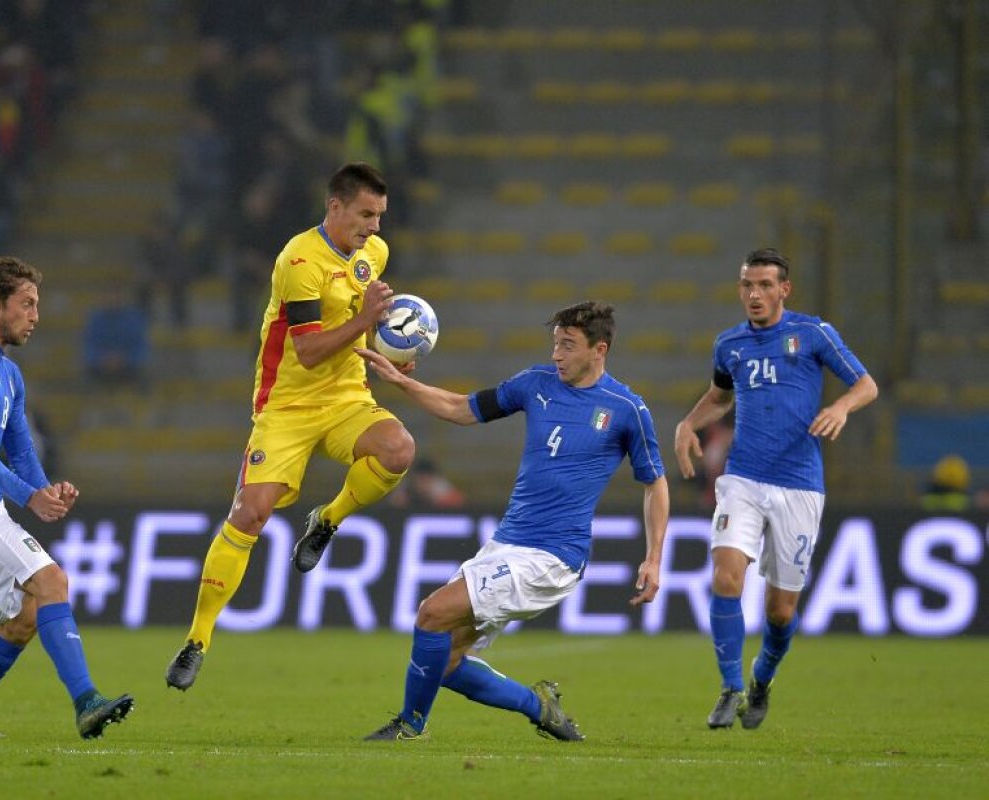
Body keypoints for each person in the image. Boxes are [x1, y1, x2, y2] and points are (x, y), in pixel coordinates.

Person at [355, 301, 669, 741]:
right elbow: (461, 408)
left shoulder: (626, 408)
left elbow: (655, 483)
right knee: (444, 658)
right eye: (554, 344)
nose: (556, 354)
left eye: (567, 345)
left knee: (431, 613)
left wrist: (654, 558)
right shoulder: (535, 384)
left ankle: (410, 725)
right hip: (507, 545)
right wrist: (403, 381)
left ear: (600, 349)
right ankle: (538, 706)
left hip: (553, 556)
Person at [164, 162, 416, 689]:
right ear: (335, 207)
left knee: (398, 449)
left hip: (347, 397)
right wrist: (367, 321)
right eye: (366, 215)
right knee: (250, 514)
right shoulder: (299, 259)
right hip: (286, 407)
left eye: (380, 217)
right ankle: (197, 638)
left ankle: (326, 520)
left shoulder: (375, 253)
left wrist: (384, 353)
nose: (374, 227)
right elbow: (309, 348)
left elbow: (353, 337)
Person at [0, 255, 133, 739]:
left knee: (26, 616)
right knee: (52, 581)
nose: (35, 316)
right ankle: (87, 702)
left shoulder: (9, 373)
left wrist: (45, 489)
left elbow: (20, 448)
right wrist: (27, 497)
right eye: (27, 304)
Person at [673, 247, 878, 731]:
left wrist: (842, 408)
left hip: (799, 486)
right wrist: (687, 424)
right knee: (725, 577)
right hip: (743, 478)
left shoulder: (812, 334)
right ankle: (730, 687)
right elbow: (720, 398)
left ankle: (762, 678)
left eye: (765, 285)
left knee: (780, 612)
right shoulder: (730, 345)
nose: (754, 294)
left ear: (784, 289)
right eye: (747, 284)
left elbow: (866, 385)